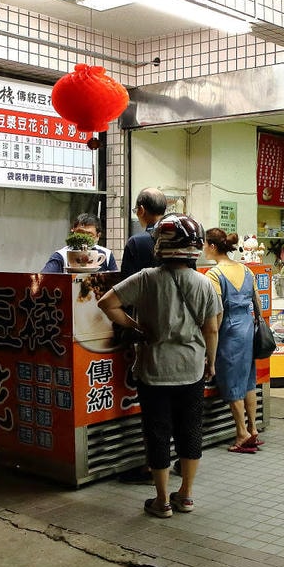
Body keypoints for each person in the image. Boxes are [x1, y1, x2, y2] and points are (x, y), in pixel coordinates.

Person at [99, 214, 221, 518]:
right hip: (191, 369)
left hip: (153, 370)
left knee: (157, 433)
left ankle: (162, 500)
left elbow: (106, 303)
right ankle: (187, 495)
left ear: (161, 245)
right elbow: (212, 329)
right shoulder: (205, 284)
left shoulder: (146, 278)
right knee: (190, 431)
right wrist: (211, 361)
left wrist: (137, 328)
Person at [115, 187, 168, 483]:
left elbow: (124, 292)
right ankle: (170, 462)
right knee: (174, 404)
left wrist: (128, 326)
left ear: (140, 210)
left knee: (152, 403)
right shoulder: (182, 238)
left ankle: (153, 464)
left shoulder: (137, 242)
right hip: (181, 332)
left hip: (147, 328)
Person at [203, 228, 261, 454]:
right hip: (248, 328)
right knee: (248, 379)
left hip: (228, 332)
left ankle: (241, 433)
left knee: (231, 382)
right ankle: (253, 428)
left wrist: (211, 338)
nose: (203, 248)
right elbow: (256, 301)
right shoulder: (246, 270)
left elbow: (216, 312)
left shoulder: (214, 275)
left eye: (205, 244)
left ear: (213, 246)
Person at [40, 212, 116, 273]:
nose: (84, 239)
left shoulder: (107, 255)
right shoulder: (61, 255)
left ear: (98, 236)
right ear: (73, 232)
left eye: (89, 235)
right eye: (80, 234)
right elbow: (44, 278)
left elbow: (115, 281)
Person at [122, 187, 168, 277]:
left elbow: (126, 283)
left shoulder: (136, 242)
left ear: (141, 210)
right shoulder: (181, 236)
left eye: (136, 210)